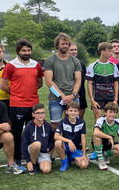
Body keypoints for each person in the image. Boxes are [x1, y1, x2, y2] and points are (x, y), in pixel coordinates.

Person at [0, 39, 43, 169]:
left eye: (28, 50)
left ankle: (31, 157)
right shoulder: (11, 65)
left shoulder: (36, 65)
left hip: (33, 104)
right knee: (17, 133)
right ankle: (17, 159)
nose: (26, 53)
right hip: (17, 105)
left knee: (33, 133)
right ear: (18, 51)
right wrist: (16, 93)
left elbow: (39, 83)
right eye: (23, 50)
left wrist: (30, 92)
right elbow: (2, 85)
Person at [44, 33, 81, 161]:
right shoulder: (50, 60)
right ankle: (53, 152)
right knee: (55, 125)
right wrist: (62, 95)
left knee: (73, 124)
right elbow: (49, 81)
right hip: (56, 98)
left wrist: (72, 95)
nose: (65, 46)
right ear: (57, 45)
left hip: (73, 97)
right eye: (62, 44)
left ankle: (73, 150)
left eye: (67, 44)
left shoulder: (75, 61)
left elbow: (78, 80)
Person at [86, 42, 119, 124]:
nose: (111, 53)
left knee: (110, 119)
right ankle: (96, 136)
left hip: (110, 97)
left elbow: (116, 83)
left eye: (111, 51)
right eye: (109, 51)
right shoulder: (93, 66)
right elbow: (89, 84)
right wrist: (92, 100)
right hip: (98, 98)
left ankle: (107, 137)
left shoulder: (113, 66)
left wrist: (115, 99)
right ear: (102, 52)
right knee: (98, 119)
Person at [91, 102, 119, 170]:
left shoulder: (117, 122)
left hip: (109, 143)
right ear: (105, 113)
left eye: (114, 112)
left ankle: (105, 154)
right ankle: (101, 161)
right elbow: (95, 132)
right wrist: (109, 137)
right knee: (97, 136)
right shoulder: (101, 120)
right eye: (110, 112)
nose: (112, 114)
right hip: (99, 142)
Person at [0, 86, 23, 174]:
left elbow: (6, 127)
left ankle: (10, 165)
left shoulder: (2, 105)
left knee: (8, 136)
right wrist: (0, 126)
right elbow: (2, 125)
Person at [54, 102, 89, 172]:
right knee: (58, 143)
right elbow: (56, 136)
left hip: (76, 148)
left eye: (75, 111)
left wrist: (84, 154)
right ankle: (64, 162)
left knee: (84, 165)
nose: (73, 113)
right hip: (66, 147)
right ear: (66, 112)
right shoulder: (63, 122)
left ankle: (71, 157)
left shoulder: (82, 122)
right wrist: (69, 141)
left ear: (78, 112)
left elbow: (83, 138)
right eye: (71, 111)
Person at [21, 103, 54, 175]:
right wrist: (28, 161)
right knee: (37, 144)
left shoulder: (48, 126)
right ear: (33, 114)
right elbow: (23, 144)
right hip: (32, 150)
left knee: (46, 170)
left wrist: (48, 148)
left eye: (42, 113)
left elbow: (52, 140)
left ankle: (38, 161)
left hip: (43, 152)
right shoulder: (29, 126)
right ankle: (33, 163)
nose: (41, 115)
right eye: (38, 113)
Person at [0, 43, 10, 165]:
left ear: (3, 52)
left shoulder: (9, 66)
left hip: (9, 99)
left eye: (0, 51)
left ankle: (15, 150)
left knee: (9, 125)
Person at [68, 42, 87, 120]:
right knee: (68, 117)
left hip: (81, 93)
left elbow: (84, 78)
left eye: (75, 49)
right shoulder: (65, 64)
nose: (74, 51)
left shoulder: (81, 64)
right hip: (69, 93)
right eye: (71, 50)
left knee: (80, 118)